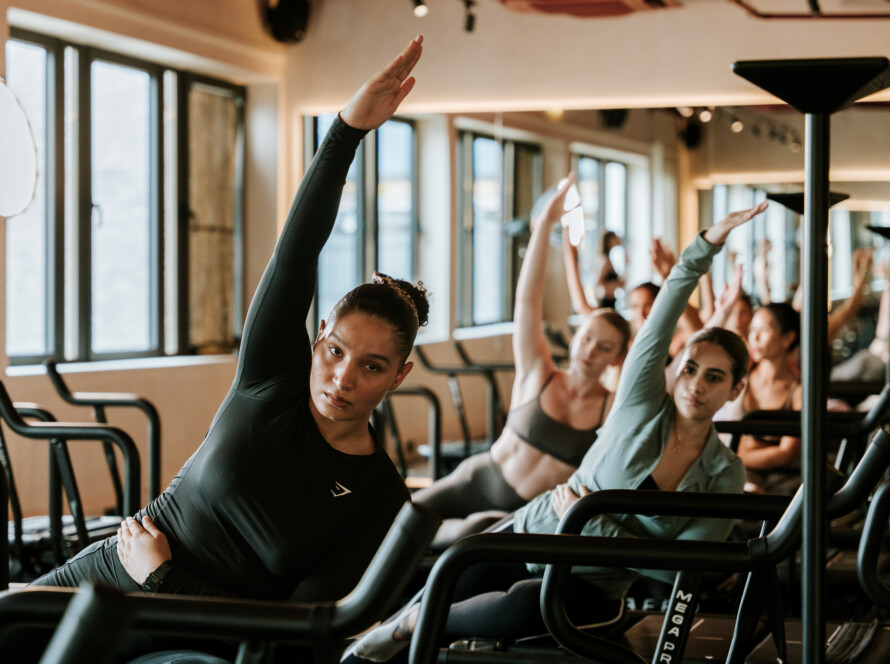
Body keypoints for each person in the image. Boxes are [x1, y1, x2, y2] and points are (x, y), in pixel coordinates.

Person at [23, 36, 426, 660]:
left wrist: (164, 578)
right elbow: (296, 255)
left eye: (371, 366)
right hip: (109, 576)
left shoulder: (380, 501)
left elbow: (290, 642)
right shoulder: (273, 379)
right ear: (319, 335)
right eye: (335, 351)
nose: (343, 378)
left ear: (399, 375)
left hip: (195, 635)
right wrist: (345, 132)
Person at [345, 199, 766, 664]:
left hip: (594, 587)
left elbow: (678, 570)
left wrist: (589, 520)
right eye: (690, 369)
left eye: (714, 377)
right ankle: (377, 634)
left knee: (519, 605)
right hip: (535, 530)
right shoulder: (638, 406)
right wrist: (705, 245)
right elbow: (662, 317)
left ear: (736, 389)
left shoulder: (723, 473)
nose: (696, 385)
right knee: (441, 573)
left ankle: (409, 624)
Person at [413, 175, 630, 526]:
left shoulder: (611, 408)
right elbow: (527, 302)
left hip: (521, 515)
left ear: (617, 358)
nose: (590, 350)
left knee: (472, 531)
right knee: (398, 516)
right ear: (575, 336)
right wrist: (544, 223)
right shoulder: (538, 374)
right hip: (479, 479)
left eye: (604, 347)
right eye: (587, 337)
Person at [719, 302, 802, 493]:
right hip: (730, 469)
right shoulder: (741, 376)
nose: (754, 338)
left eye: (763, 330)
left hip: (772, 479)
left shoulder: (798, 392)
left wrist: (730, 456)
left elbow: (786, 454)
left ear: (788, 338)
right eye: (752, 330)